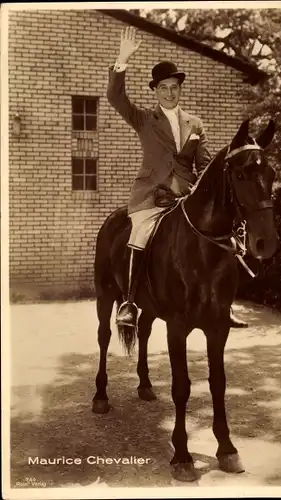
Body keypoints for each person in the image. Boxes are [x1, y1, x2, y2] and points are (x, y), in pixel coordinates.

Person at [107, 27, 248, 329]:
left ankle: (224, 303)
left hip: (186, 197)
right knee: (139, 235)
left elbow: (206, 164)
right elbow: (116, 98)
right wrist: (122, 59)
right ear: (154, 91)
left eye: (174, 87)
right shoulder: (144, 119)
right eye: (163, 88)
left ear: (180, 89)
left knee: (224, 238)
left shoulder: (195, 124)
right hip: (151, 197)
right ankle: (130, 303)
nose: (169, 93)